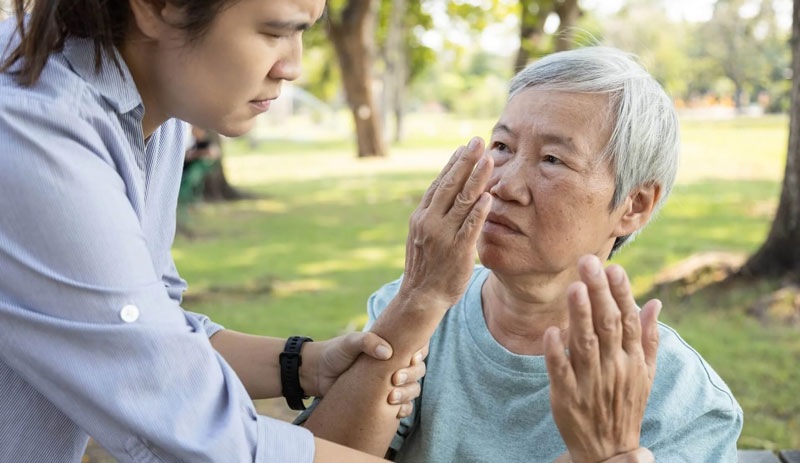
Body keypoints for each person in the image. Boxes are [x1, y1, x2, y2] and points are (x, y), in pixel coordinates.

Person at [0, 1, 427, 462]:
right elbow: (196, 432)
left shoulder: (155, 102)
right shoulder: (33, 132)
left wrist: (304, 365)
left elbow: (153, 330)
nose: (294, 67)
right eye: (273, 32)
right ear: (158, 9)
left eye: (305, 32)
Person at [297, 47, 743, 462]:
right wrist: (418, 300)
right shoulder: (415, 311)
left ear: (635, 205)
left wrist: (609, 453)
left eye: (552, 160)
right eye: (502, 147)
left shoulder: (683, 400)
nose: (503, 185)